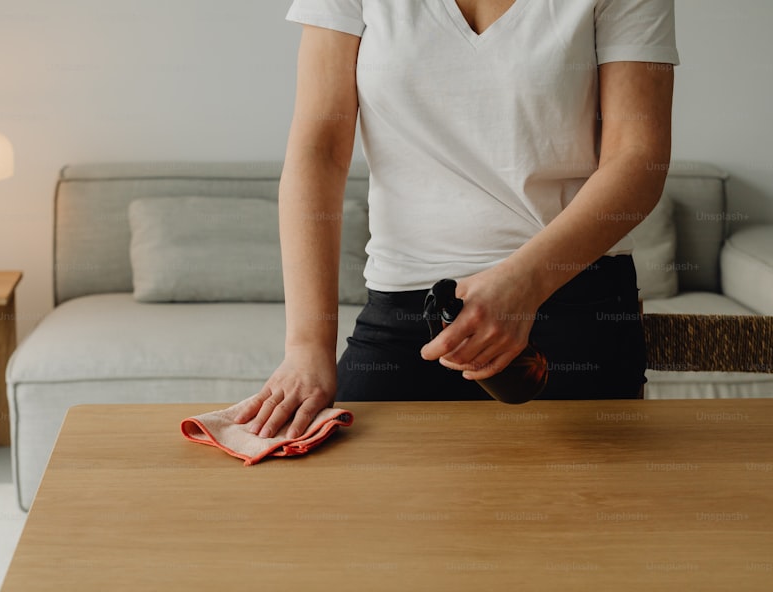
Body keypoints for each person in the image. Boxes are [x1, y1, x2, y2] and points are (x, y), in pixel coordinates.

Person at [235, 0, 678, 438]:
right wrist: (307, 348)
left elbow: (637, 158)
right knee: (346, 496)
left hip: (572, 300)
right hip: (403, 314)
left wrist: (524, 282)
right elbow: (321, 153)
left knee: (579, 504)